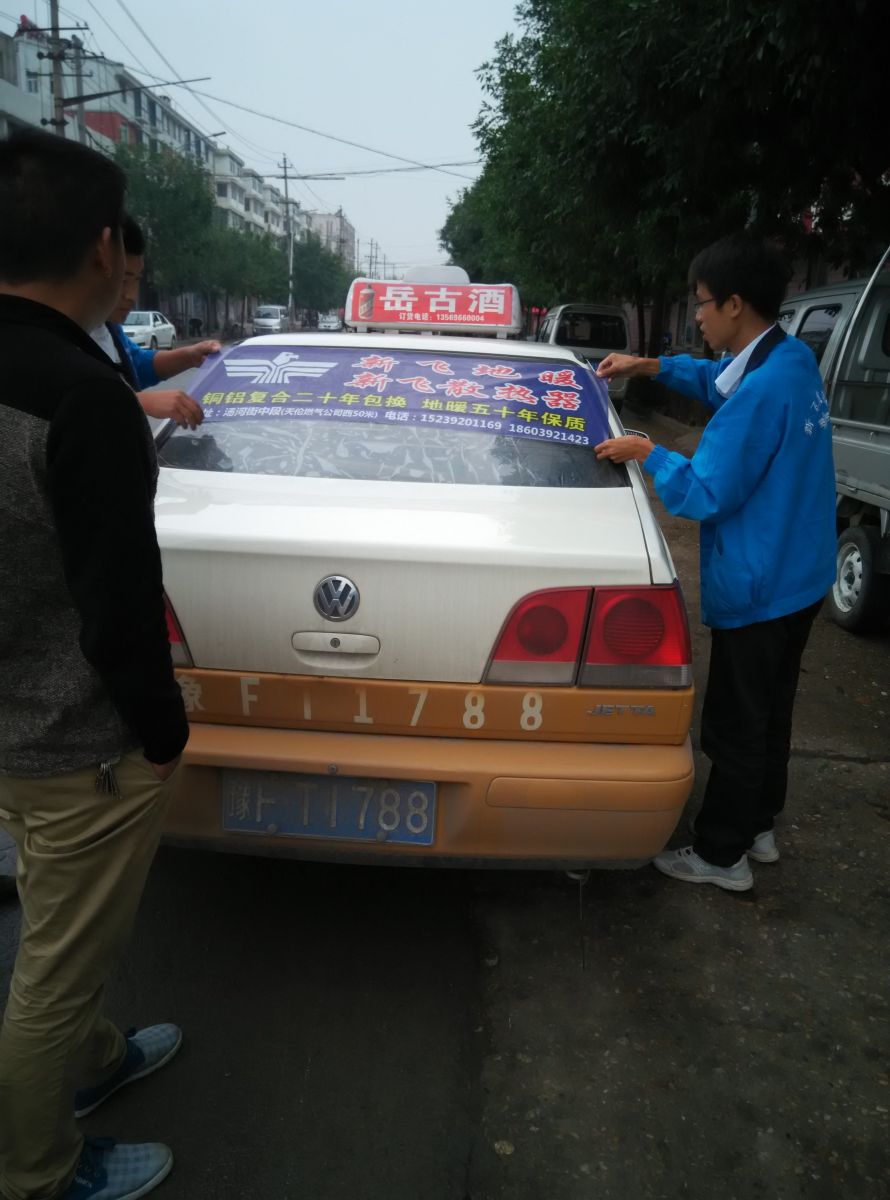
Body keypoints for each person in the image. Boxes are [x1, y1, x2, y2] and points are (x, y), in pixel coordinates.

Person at [0, 130, 188, 1199]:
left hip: (9, 733)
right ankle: (37, 1170)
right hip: (79, 747)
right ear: (102, 245)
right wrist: (162, 732)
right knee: (52, 977)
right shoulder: (82, 397)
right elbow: (120, 606)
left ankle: (99, 1060)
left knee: (55, 928)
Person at [594, 233, 836, 893]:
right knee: (772, 709)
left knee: (735, 723)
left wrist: (648, 452)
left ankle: (721, 855)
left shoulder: (761, 393)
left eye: (701, 303)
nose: (696, 315)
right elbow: (716, 380)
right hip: (801, 572)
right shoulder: (790, 359)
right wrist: (649, 366)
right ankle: (757, 827)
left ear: (734, 304)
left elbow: (705, 493)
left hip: (762, 581)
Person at [91, 216, 220, 430]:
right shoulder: (59, 339)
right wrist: (139, 402)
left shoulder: (108, 329)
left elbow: (136, 365)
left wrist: (190, 356)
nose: (131, 295)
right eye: (123, 280)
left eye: (137, 280)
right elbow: (68, 401)